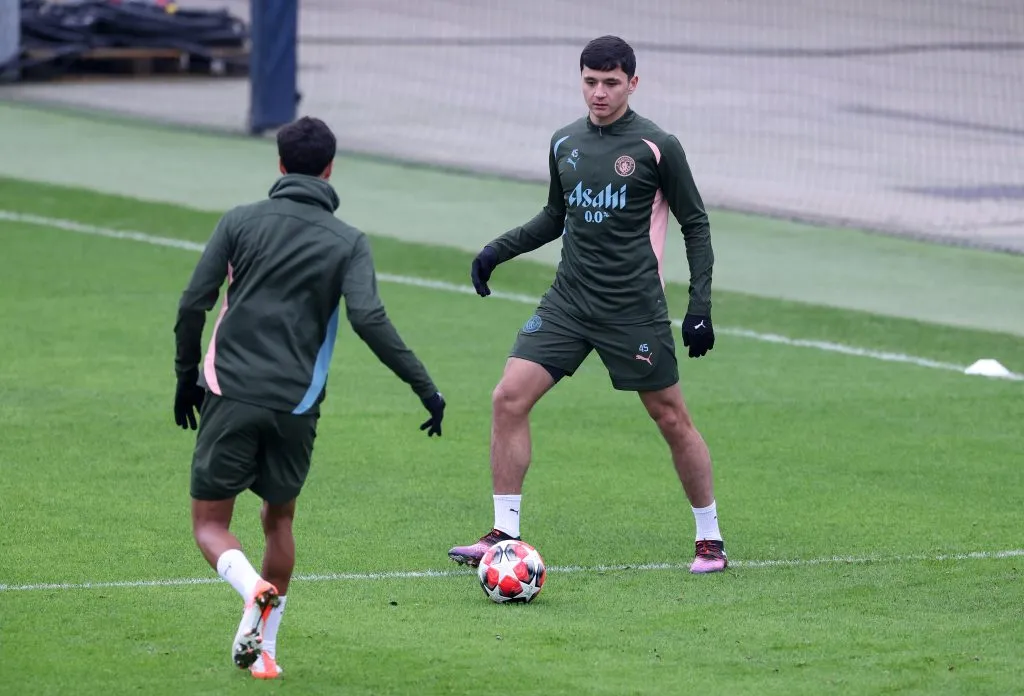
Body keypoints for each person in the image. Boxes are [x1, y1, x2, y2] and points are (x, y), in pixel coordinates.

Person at [173, 116, 446, 678]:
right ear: (329, 169)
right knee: (279, 521)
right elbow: (370, 320)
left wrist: (185, 377)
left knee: (209, 523)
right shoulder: (348, 241)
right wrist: (426, 387)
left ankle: (252, 588)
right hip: (297, 406)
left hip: (230, 392)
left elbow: (192, 304)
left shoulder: (240, 222)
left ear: (279, 165)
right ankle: (265, 655)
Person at [447, 35, 727, 574]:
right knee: (508, 398)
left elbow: (695, 223)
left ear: (632, 84)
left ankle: (709, 538)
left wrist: (700, 305)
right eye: (590, 82)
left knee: (670, 417)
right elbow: (556, 216)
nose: (599, 93)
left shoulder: (657, 146)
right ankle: (503, 535)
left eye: (611, 83)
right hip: (568, 303)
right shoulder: (564, 142)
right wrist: (496, 251)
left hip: (633, 309)